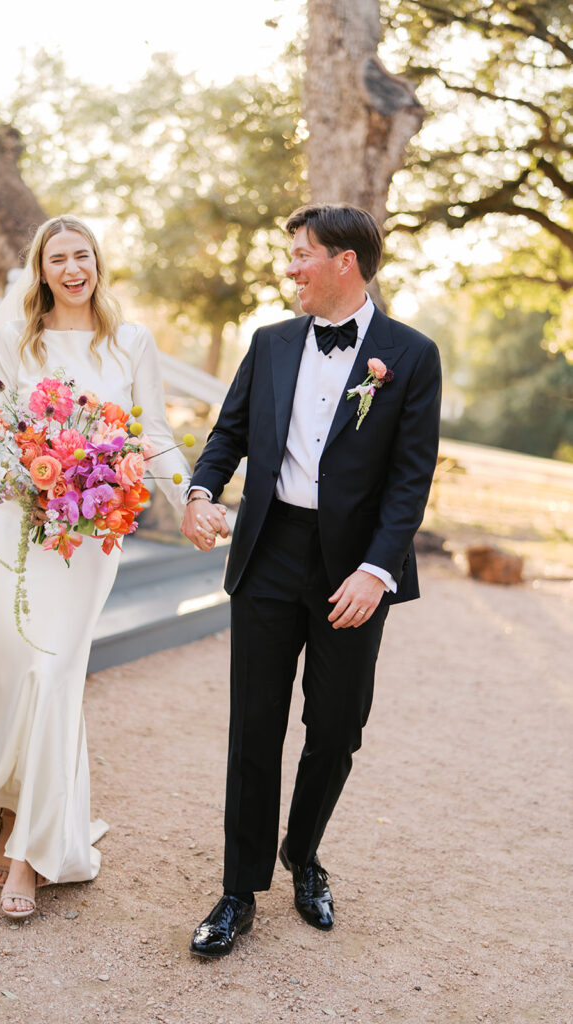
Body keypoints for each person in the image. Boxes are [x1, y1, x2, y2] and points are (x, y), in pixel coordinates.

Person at [180, 202, 442, 958]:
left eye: (301, 254)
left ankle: (303, 853)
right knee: (254, 726)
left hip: (352, 569)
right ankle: (238, 890)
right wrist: (200, 492)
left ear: (343, 262)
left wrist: (375, 571)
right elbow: (228, 433)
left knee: (335, 727)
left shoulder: (410, 354)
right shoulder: (268, 342)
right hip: (268, 552)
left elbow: (410, 478)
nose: (290, 267)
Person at [0, 215, 191, 918]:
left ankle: (31, 852)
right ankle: (9, 810)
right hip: (16, 528)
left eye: (83, 256)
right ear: (41, 271)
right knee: (10, 674)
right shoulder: (18, 341)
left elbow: (154, 432)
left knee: (52, 676)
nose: (72, 269)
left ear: (98, 263)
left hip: (88, 537)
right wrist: (29, 481)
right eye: (58, 259)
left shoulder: (130, 342)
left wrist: (190, 497)